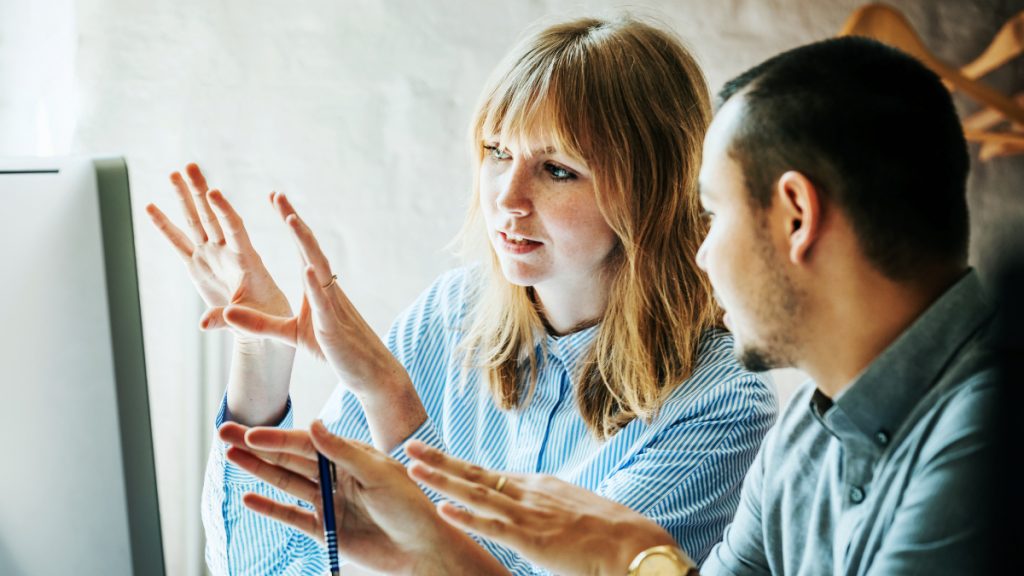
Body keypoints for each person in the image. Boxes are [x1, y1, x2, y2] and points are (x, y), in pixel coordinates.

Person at [225, 35, 999, 575]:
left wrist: (627, 560)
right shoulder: (812, 431)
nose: (701, 251)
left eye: (713, 213)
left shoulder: (988, 437)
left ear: (796, 216)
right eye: (496, 153)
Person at [147, 15, 778, 575]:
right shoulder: (450, 314)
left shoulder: (721, 402)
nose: (507, 198)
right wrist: (261, 357)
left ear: (653, 191)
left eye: (558, 169)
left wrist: (390, 399)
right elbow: (274, 566)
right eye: (497, 152)